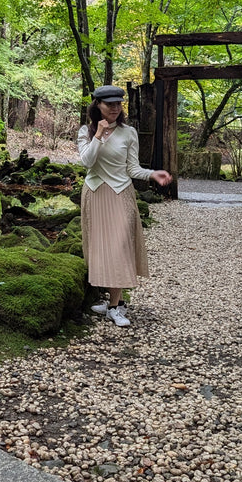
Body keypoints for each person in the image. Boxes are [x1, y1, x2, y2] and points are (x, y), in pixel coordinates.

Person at [77, 85, 172, 328]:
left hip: (120, 194)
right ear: (97, 105)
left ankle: (114, 307)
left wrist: (153, 174)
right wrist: (98, 134)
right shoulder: (85, 132)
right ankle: (108, 299)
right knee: (98, 248)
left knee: (119, 247)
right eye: (110, 104)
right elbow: (87, 161)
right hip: (95, 193)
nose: (116, 108)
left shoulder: (128, 133)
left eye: (119, 104)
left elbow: (132, 169)